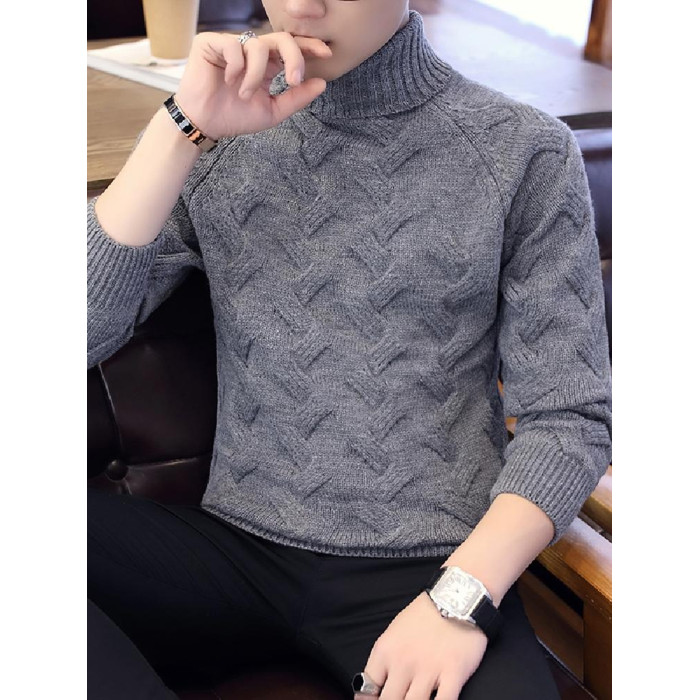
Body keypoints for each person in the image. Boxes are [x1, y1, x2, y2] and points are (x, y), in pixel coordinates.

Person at [87, 2, 612, 699]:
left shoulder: (522, 152)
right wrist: (179, 127)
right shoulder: (220, 138)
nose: (302, 5)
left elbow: (569, 420)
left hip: (427, 570)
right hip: (232, 552)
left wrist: (456, 601)